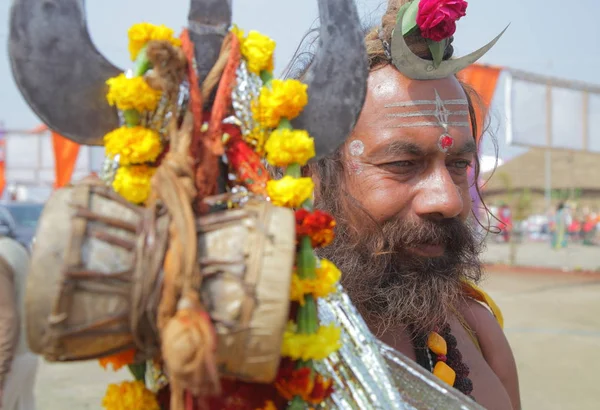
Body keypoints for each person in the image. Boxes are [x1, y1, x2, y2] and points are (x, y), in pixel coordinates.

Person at [293, 0, 520, 408]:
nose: (449, 200)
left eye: (458, 165)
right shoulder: (251, 345)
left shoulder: (477, 328)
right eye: (402, 164)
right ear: (310, 176)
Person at [0, 224, 38, 410]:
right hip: (27, 352)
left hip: (9, 357)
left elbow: (6, 317)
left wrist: (1, 372)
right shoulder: (17, 249)